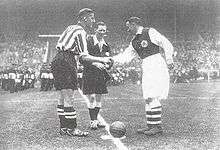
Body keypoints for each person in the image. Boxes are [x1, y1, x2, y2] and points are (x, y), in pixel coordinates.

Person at [51, 8, 112, 137]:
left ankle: (64, 128)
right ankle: (72, 128)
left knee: (61, 97)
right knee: (69, 97)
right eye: (92, 18)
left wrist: (95, 63)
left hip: (57, 59)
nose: (93, 21)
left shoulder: (71, 27)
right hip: (66, 60)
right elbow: (84, 56)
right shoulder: (81, 31)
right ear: (85, 18)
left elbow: (78, 54)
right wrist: (102, 59)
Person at [113, 17, 174, 135]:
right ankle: (151, 125)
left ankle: (157, 126)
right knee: (147, 97)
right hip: (146, 65)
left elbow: (165, 43)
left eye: (128, 26)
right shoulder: (134, 41)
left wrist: (169, 58)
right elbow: (125, 57)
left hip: (156, 63)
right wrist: (111, 60)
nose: (127, 29)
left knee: (153, 95)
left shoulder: (149, 31)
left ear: (134, 24)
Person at [82, 22, 111, 130]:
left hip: (100, 75)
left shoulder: (106, 45)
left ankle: (96, 119)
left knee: (98, 98)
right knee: (91, 98)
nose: (102, 32)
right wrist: (94, 63)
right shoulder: (88, 41)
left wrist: (108, 65)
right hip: (89, 73)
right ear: (95, 30)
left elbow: (109, 59)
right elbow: (82, 58)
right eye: (100, 30)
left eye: (104, 30)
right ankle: (93, 120)